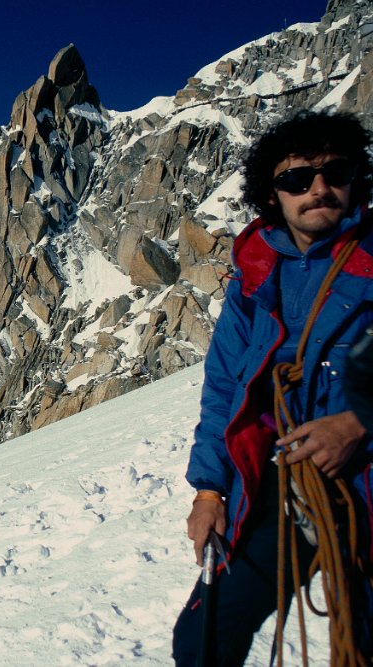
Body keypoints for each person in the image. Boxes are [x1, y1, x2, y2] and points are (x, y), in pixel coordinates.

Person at [172, 110, 373, 665]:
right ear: (272, 194)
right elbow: (224, 389)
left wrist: (357, 422)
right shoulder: (255, 276)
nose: (319, 188)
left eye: (336, 172)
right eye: (297, 179)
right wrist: (209, 491)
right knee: (202, 640)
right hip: (284, 489)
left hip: (364, 486)